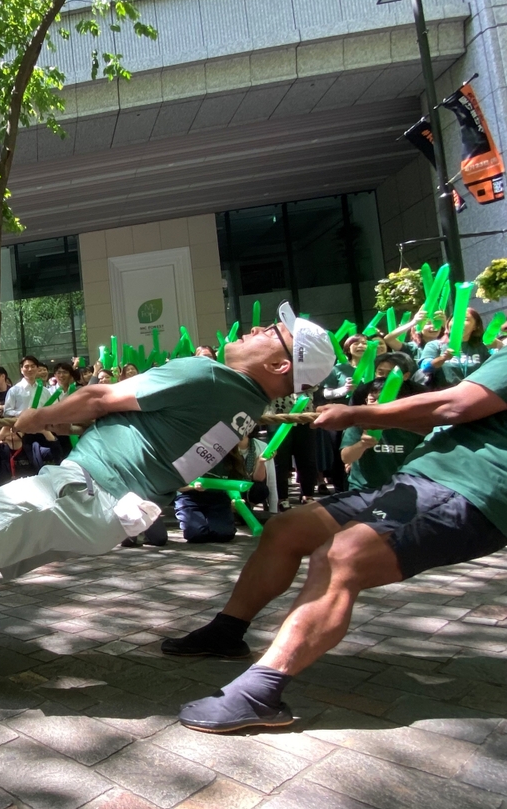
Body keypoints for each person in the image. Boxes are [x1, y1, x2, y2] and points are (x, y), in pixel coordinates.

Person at [0, 303, 336, 698]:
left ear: (280, 365)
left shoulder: (209, 374)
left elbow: (98, 397)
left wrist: (33, 418)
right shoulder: (246, 405)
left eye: (272, 332)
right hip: (109, 506)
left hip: (90, 490)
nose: (255, 328)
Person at [172, 347, 507, 732]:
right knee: (287, 529)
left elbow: (454, 405)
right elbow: (439, 420)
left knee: (342, 556)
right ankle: (226, 633)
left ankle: (260, 692)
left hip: (470, 489)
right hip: (417, 481)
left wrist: (355, 412)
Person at [338, 377, 424, 492]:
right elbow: (346, 457)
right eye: (372, 400)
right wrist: (362, 445)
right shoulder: (359, 424)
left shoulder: (412, 426)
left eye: (384, 400)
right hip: (363, 489)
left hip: (403, 489)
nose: (377, 405)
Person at [421, 308, 489, 388]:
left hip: (474, 395)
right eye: (455, 319)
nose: (458, 322)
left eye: (465, 319)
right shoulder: (435, 345)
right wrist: (443, 358)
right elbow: (425, 368)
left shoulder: (480, 348)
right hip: (446, 395)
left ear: (475, 326)